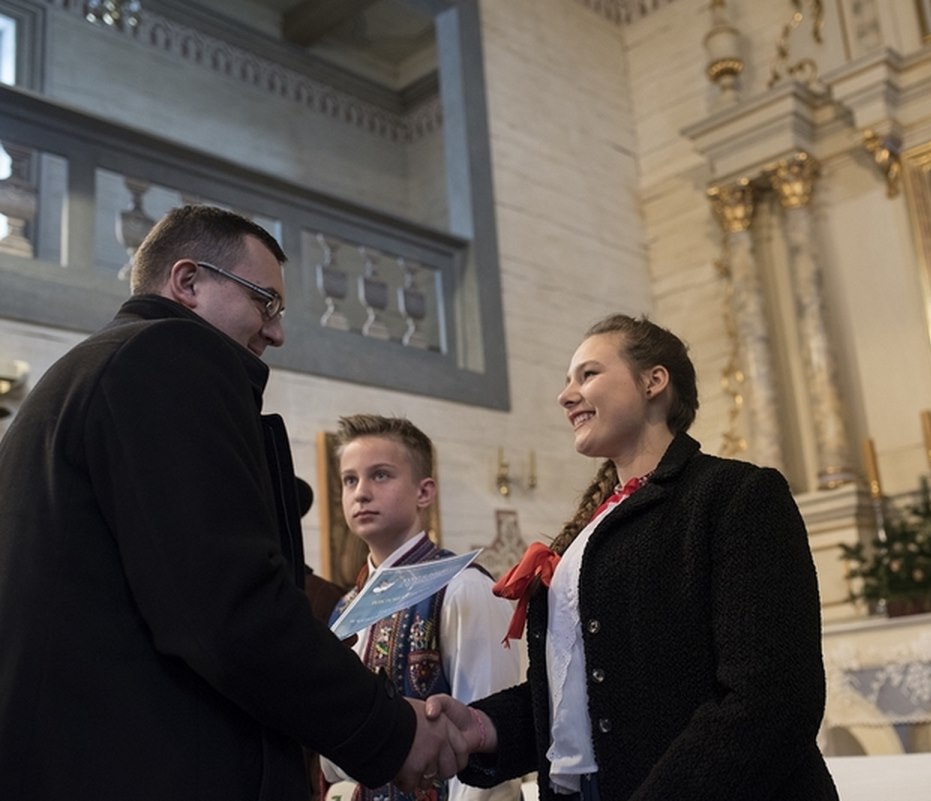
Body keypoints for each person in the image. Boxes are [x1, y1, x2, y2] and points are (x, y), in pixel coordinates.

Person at [0, 205, 467, 799]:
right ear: (188, 281)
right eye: (264, 302)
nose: (276, 332)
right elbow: (229, 607)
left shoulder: (90, 370)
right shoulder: (167, 356)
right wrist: (391, 733)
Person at [427, 314, 839, 801]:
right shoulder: (593, 526)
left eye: (588, 374)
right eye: (567, 380)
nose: (565, 396)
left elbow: (772, 697)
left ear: (653, 381)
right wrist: (481, 727)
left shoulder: (734, 494)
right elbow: (578, 697)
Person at [320, 414, 522, 801]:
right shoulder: (345, 610)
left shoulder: (462, 587)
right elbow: (332, 755)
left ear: (424, 492)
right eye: (349, 480)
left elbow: (487, 740)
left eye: (380, 475)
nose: (361, 493)